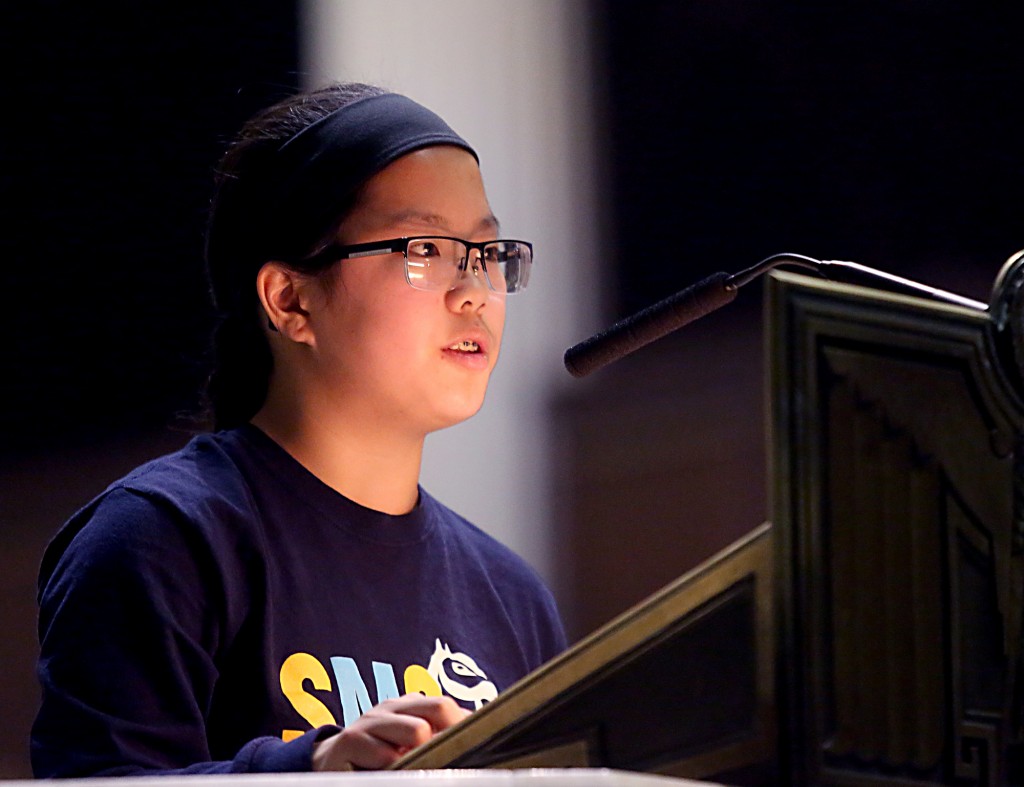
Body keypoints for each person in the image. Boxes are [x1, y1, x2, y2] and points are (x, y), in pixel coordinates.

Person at [31, 81, 567, 777]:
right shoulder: (162, 538)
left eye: (487, 253)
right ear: (290, 300)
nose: (474, 290)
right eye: (426, 248)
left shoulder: (511, 597)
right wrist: (310, 767)